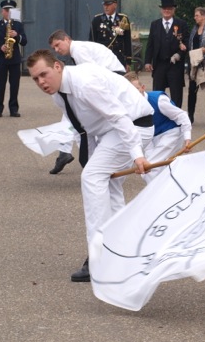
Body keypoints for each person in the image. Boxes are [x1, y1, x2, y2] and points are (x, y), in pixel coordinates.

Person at [26, 49, 154, 282]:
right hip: (110, 134)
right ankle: (123, 251)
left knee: (92, 178)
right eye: (35, 78)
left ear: (57, 66)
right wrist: (92, 160)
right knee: (106, 183)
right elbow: (83, 130)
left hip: (133, 127)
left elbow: (119, 117)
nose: (41, 82)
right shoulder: (59, 94)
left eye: (44, 74)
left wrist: (137, 155)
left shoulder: (85, 83)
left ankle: (99, 259)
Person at [47, 29, 127, 174]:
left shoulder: (78, 50)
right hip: (111, 77)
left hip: (113, 79)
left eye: (58, 45)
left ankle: (84, 159)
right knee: (71, 115)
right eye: (54, 48)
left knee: (75, 118)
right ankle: (66, 152)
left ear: (67, 39)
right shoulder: (78, 48)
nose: (57, 50)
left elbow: (90, 74)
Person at [125, 72, 191, 184]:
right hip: (151, 139)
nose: (134, 94)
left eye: (136, 89)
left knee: (150, 168)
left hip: (171, 134)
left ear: (142, 87)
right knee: (152, 168)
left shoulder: (158, 99)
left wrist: (187, 138)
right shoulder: (128, 106)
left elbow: (181, 115)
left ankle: (160, 197)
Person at [143, 0, 188, 107]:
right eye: (164, 9)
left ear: (173, 10)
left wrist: (179, 54)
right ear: (161, 10)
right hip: (159, 64)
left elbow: (186, 43)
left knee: (176, 93)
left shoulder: (181, 24)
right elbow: (150, 44)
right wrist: (148, 61)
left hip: (175, 65)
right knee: (157, 93)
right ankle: (158, 117)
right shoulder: (155, 24)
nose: (167, 11)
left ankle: (177, 118)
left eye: (169, 9)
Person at [0, 0, 27, 117]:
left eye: (10, 10)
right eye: (6, 10)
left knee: (14, 84)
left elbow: (25, 41)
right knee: (0, 84)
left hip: (14, 59)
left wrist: (17, 35)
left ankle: (14, 108)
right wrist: (0, 47)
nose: (8, 12)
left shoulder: (18, 25)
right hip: (1, 59)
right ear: (2, 11)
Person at [90, 0, 132, 70]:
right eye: (104, 4)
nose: (106, 7)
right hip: (102, 60)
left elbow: (127, 42)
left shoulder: (123, 19)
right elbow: (93, 42)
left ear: (115, 5)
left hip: (118, 59)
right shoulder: (97, 20)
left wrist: (128, 61)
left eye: (108, 4)